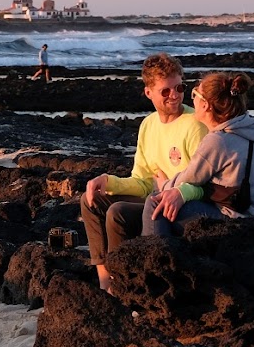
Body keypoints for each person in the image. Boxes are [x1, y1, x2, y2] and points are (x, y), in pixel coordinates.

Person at [81, 53, 207, 293]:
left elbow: (203, 183)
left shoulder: (194, 124)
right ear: (148, 92)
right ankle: (104, 279)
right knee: (91, 199)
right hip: (154, 196)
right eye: (165, 91)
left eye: (179, 87)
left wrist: (170, 188)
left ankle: (123, 284)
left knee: (117, 212)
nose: (175, 95)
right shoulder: (148, 125)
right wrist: (108, 181)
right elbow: (141, 182)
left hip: (181, 204)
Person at [143, 71, 254, 236]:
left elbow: (186, 179)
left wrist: (163, 184)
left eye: (195, 93)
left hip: (246, 226)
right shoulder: (248, 130)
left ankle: (155, 257)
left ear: (205, 105)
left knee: (157, 201)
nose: (192, 99)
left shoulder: (218, 141)